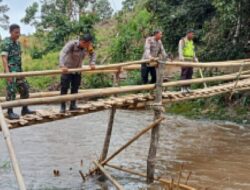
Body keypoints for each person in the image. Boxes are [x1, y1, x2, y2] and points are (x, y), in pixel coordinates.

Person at [1, 24, 35, 120]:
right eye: (16, 32)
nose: (18, 34)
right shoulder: (6, 43)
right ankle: (10, 112)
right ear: (10, 32)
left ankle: (25, 109)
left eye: (19, 32)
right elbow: (4, 59)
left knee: (25, 88)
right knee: (11, 91)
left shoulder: (17, 43)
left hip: (19, 71)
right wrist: (8, 74)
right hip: (11, 71)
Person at [59, 34, 96, 113]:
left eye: (89, 44)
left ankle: (73, 105)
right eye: (88, 44)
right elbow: (62, 53)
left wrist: (92, 63)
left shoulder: (88, 47)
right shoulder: (72, 44)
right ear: (83, 42)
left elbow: (93, 54)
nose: (89, 45)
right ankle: (63, 106)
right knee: (64, 88)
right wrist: (62, 65)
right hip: (67, 69)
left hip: (77, 70)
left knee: (75, 88)